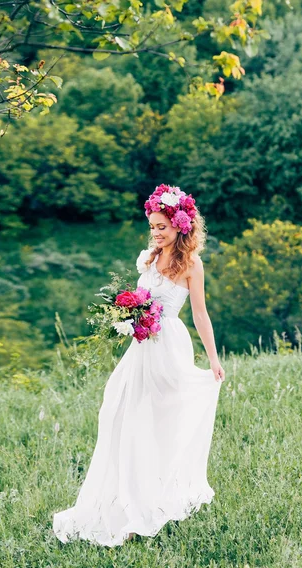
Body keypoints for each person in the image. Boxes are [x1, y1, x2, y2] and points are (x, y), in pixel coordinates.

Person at [52, 184, 225, 547]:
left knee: (158, 422)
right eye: (152, 226)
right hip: (141, 346)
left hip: (169, 347)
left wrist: (212, 358)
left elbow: (200, 314)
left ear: (180, 225)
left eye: (161, 226)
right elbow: (141, 301)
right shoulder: (147, 257)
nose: (156, 233)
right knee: (119, 412)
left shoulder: (192, 264)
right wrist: (129, 316)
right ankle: (125, 499)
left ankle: (154, 498)